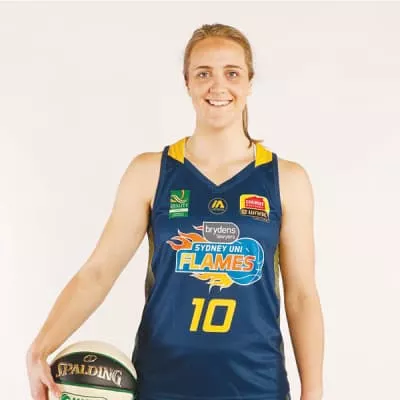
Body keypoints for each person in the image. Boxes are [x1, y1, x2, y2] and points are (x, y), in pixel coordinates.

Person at [26, 23, 324, 400]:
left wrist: (313, 391)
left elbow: (301, 296)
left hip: (257, 386)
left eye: (232, 73)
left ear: (249, 82)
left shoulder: (286, 179)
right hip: (163, 385)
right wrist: (39, 348)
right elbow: (98, 272)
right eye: (204, 74)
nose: (218, 86)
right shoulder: (150, 172)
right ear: (187, 83)